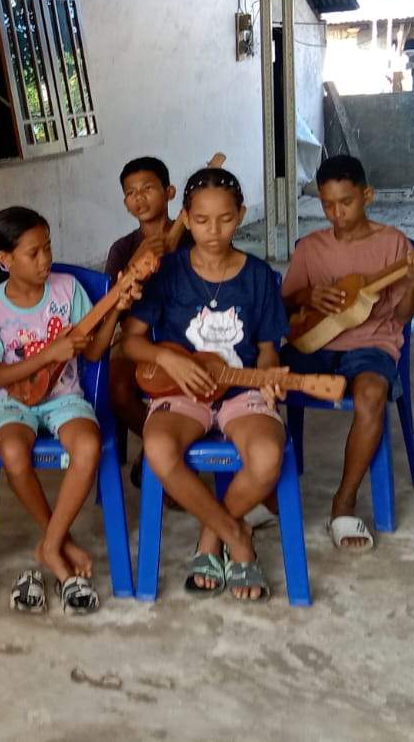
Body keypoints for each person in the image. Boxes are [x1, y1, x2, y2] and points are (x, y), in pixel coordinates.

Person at [121, 167, 288, 602]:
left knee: (268, 456)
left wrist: (268, 375)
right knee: (158, 448)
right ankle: (237, 533)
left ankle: (212, 539)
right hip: (180, 391)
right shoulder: (168, 272)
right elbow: (131, 343)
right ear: (185, 217)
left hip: (241, 390)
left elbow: (268, 348)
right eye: (201, 221)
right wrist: (165, 356)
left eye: (226, 219)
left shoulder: (257, 276)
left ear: (242, 214)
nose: (214, 232)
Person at [0, 207, 133, 615]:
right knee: (12, 451)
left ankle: (50, 545)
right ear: (5, 260)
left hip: (65, 398)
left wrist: (115, 305)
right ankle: (58, 541)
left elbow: (95, 351)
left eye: (48, 248)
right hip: (11, 400)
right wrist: (49, 353)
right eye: (33, 253)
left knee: (88, 447)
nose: (45, 259)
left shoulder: (68, 291)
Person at [281, 155, 414, 552]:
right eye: (328, 204)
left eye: (346, 202)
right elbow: (281, 309)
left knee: (370, 397)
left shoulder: (393, 245)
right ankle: (265, 491)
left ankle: (343, 502)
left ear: (367, 195)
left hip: (372, 343)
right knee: (258, 381)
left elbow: (401, 316)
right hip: (315, 342)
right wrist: (307, 294)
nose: (337, 213)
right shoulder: (312, 247)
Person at [105, 157, 179, 469]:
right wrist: (135, 263)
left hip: (186, 338)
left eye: (148, 188)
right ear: (125, 202)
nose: (140, 198)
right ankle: (159, 447)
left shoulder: (191, 236)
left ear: (170, 192)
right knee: (117, 388)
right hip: (136, 341)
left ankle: (166, 451)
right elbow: (110, 307)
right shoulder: (122, 249)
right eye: (131, 192)